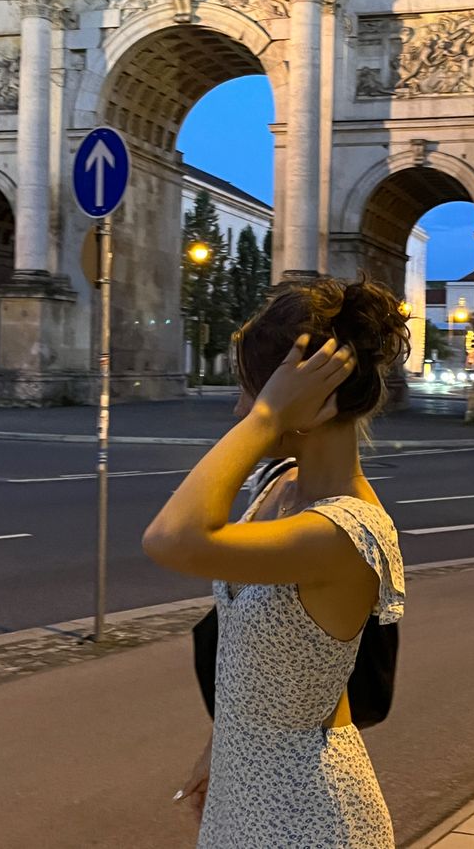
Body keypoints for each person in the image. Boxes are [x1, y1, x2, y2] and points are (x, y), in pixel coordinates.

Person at [142, 277, 409, 848]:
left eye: (252, 392)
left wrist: (264, 418)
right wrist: (225, 745)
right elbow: (309, 673)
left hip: (307, 817)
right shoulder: (281, 485)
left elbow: (171, 538)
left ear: (307, 404)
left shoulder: (345, 532)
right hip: (248, 790)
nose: (240, 408)